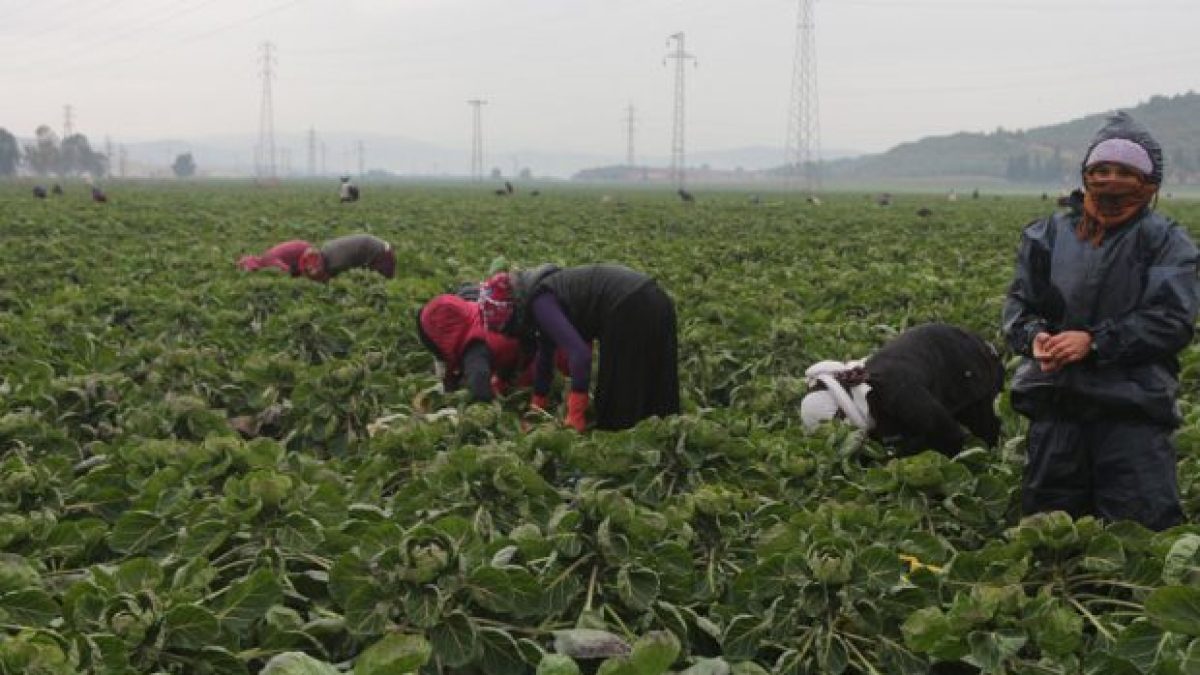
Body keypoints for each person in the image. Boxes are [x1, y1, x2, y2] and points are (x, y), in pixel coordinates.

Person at [1002, 112, 1199, 531]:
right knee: (1050, 538)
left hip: (1132, 414)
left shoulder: (1165, 240)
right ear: (1086, 175)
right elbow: (1019, 305)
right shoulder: (1048, 235)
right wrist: (1035, 337)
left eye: (1126, 172)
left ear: (1149, 182)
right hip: (1057, 407)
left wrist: (1093, 342)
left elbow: (1172, 319)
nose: (1111, 181)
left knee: (1140, 538)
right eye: (1101, 170)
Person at [480, 263, 680, 432]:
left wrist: (575, 412)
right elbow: (545, 358)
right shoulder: (544, 294)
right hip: (655, 298)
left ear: (512, 309)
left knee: (617, 403)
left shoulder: (541, 303)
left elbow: (580, 354)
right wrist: (537, 408)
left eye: (506, 327)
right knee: (656, 381)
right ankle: (665, 433)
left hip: (629, 305)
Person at [799, 323, 1003, 457]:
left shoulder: (896, 391)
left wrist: (901, 459)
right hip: (935, 362)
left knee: (985, 446)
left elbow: (949, 437)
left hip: (971, 362)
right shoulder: (873, 395)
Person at [298, 233, 395, 282]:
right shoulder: (325, 249)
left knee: (383, 285)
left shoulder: (336, 263)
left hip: (380, 253)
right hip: (368, 249)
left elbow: (347, 278)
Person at [237, 240, 314, 275]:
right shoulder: (266, 257)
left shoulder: (268, 260)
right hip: (303, 246)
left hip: (305, 251)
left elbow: (287, 270)